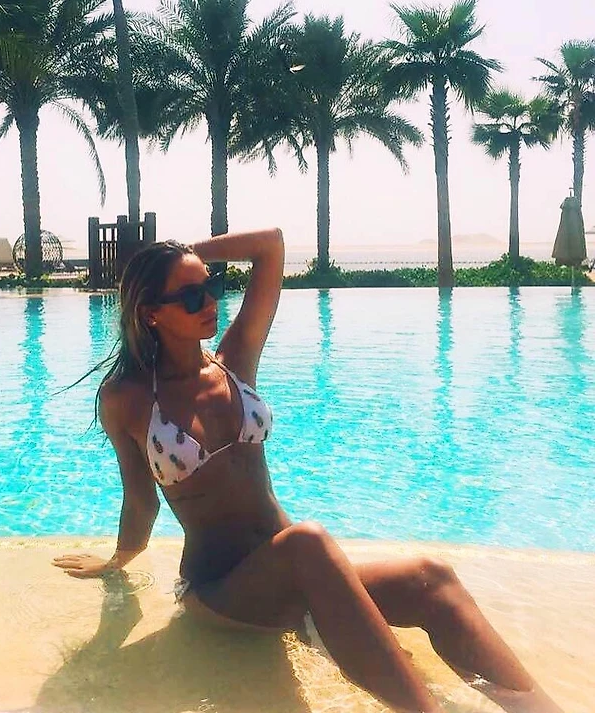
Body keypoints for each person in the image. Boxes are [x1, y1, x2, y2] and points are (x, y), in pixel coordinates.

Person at [54, 229, 563, 713]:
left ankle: (538, 708)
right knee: (306, 541)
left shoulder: (234, 361)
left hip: (296, 577)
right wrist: (116, 562)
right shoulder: (127, 398)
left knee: (431, 579)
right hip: (220, 589)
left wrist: (182, 251)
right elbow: (140, 499)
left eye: (211, 286)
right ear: (151, 314)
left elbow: (270, 246)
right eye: (190, 297)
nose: (209, 301)